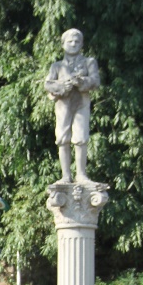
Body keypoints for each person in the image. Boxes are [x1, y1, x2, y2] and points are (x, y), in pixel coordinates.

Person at [43, 28, 100, 184]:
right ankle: (66, 175)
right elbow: (48, 84)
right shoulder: (57, 66)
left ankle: (81, 174)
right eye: (70, 41)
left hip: (81, 103)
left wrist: (81, 82)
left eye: (76, 41)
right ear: (63, 44)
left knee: (81, 137)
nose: (73, 44)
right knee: (62, 138)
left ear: (81, 44)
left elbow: (95, 81)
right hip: (63, 104)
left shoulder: (89, 62)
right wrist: (62, 86)